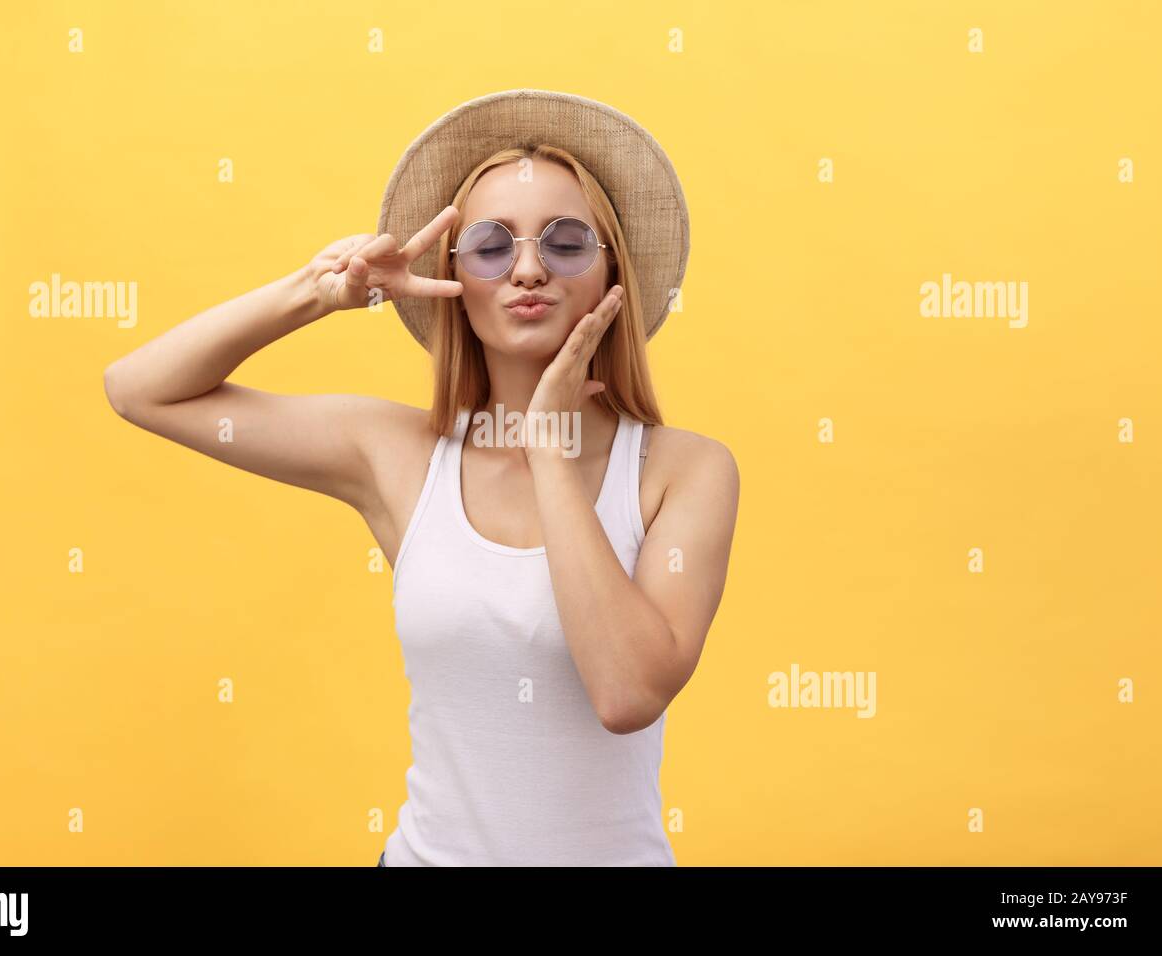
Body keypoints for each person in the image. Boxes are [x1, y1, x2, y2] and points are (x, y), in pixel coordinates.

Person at [103, 89, 739, 866]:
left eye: (567, 242)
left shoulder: (684, 471)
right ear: (452, 276)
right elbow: (141, 390)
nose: (529, 268)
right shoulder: (399, 454)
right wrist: (320, 291)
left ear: (614, 274)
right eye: (491, 245)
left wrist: (548, 449)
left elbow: (627, 694)